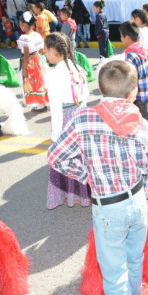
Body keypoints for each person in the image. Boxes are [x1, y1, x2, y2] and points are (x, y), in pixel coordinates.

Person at [47, 60, 148, 295]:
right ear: (132, 92)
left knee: (114, 273)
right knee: (135, 261)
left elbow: (55, 157)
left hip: (108, 207)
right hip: (136, 201)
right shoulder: (141, 123)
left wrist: (88, 176)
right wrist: (142, 197)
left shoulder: (83, 119)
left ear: (101, 88)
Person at [43, 32, 90, 208]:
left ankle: (67, 195)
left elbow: (55, 108)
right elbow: (85, 95)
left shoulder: (54, 75)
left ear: (53, 50)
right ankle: (83, 195)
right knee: (80, 156)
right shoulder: (77, 68)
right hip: (80, 115)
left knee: (64, 157)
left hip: (65, 118)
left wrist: (54, 135)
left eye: (46, 49)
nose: (45, 52)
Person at [119, 21, 148, 148]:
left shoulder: (131, 55)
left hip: (138, 96)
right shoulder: (142, 49)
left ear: (127, 37)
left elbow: (129, 78)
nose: (121, 39)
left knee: (144, 119)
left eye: (121, 36)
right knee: (141, 119)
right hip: (146, 91)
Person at [18, 12, 48, 111]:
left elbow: (26, 56)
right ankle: (42, 102)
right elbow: (41, 50)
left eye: (20, 23)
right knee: (39, 80)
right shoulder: (36, 35)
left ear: (24, 25)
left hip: (31, 61)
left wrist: (24, 68)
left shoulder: (25, 38)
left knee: (32, 81)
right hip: (38, 59)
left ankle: (39, 103)